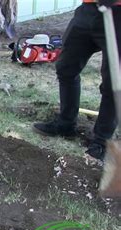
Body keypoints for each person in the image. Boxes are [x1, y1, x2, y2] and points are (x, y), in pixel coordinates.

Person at [33, 0, 121, 160]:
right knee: (66, 68)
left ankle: (101, 142)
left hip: (117, 13)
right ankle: (66, 123)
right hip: (87, 10)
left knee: (113, 83)